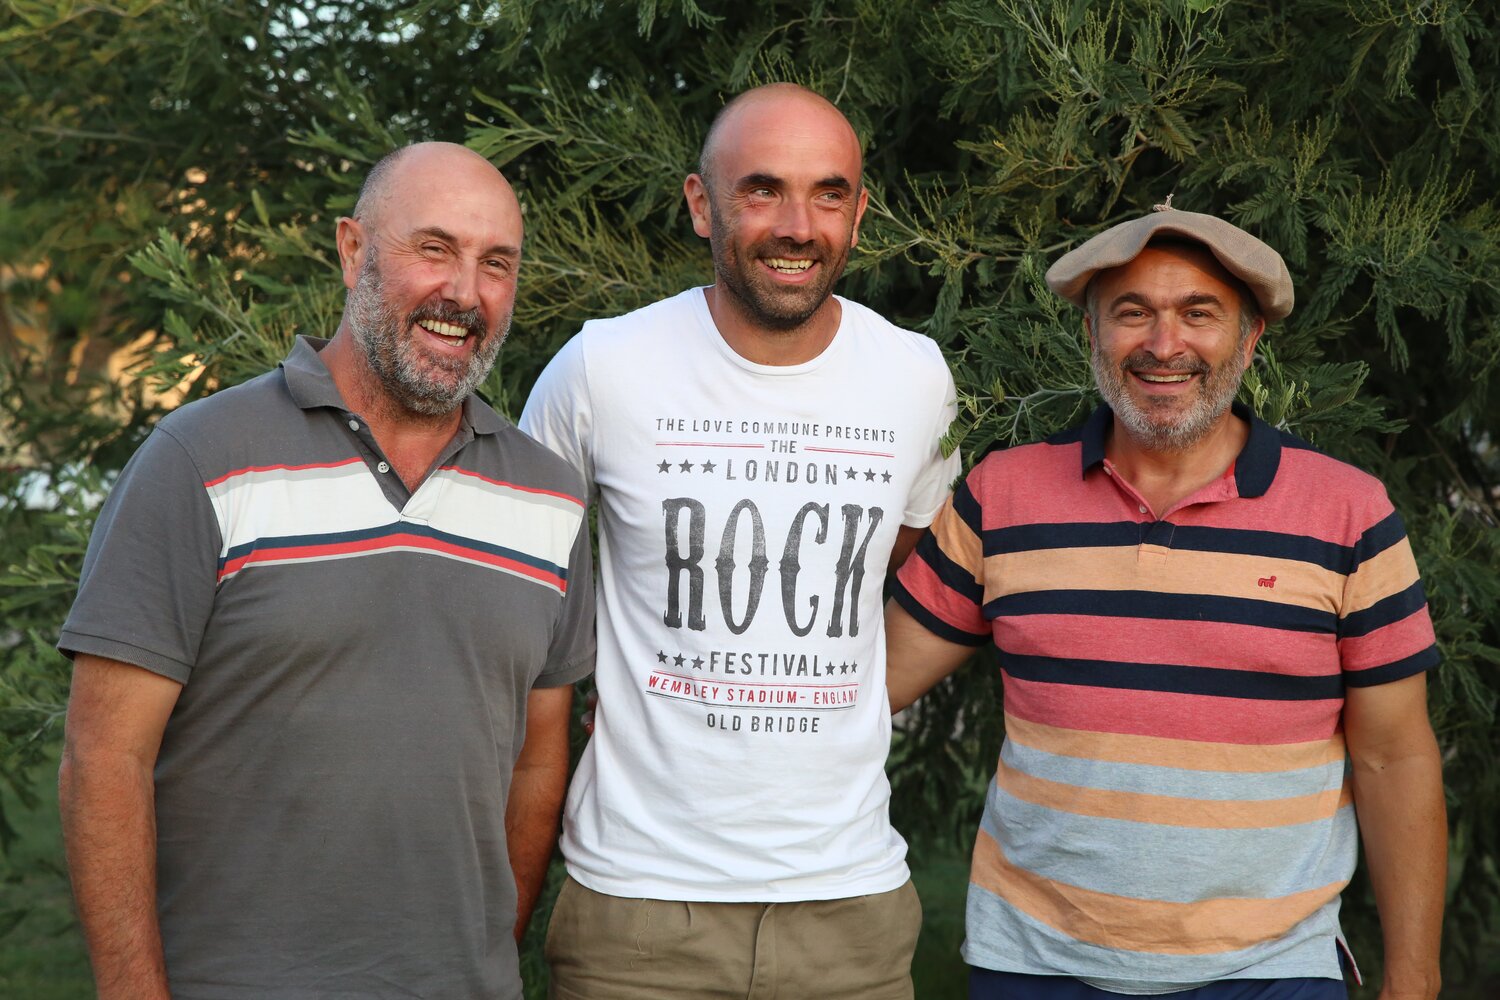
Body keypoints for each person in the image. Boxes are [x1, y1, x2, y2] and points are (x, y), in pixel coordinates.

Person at [57, 142, 595, 1000]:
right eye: (434, 248)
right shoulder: (200, 459)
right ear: (353, 251)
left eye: (496, 263)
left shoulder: (551, 500)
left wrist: (484, 954)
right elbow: (103, 759)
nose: (464, 291)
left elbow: (537, 763)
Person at [886, 205, 1447, 1000]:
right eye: (1132, 313)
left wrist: (1414, 980)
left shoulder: (1349, 514)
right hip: (1035, 965)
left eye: (1199, 314)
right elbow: (869, 684)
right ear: (1092, 333)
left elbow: (1396, 756)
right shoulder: (1001, 496)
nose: (1163, 344)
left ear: (1250, 340)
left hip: (1269, 972)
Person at [519, 83, 960, 999]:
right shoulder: (601, 367)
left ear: (859, 210)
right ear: (699, 203)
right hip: (636, 917)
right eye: (762, 190)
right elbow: (526, 612)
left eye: (829, 193)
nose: (798, 225)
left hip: (852, 915)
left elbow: (893, 562)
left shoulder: (916, 379)